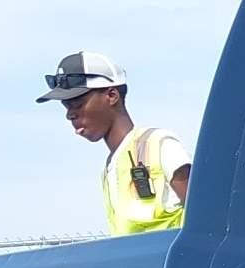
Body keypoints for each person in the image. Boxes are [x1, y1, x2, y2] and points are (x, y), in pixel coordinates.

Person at [36, 50, 193, 236]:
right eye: (66, 106)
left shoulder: (160, 145)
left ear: (111, 95)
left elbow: (207, 223)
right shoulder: (110, 168)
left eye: (77, 104)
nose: (69, 114)